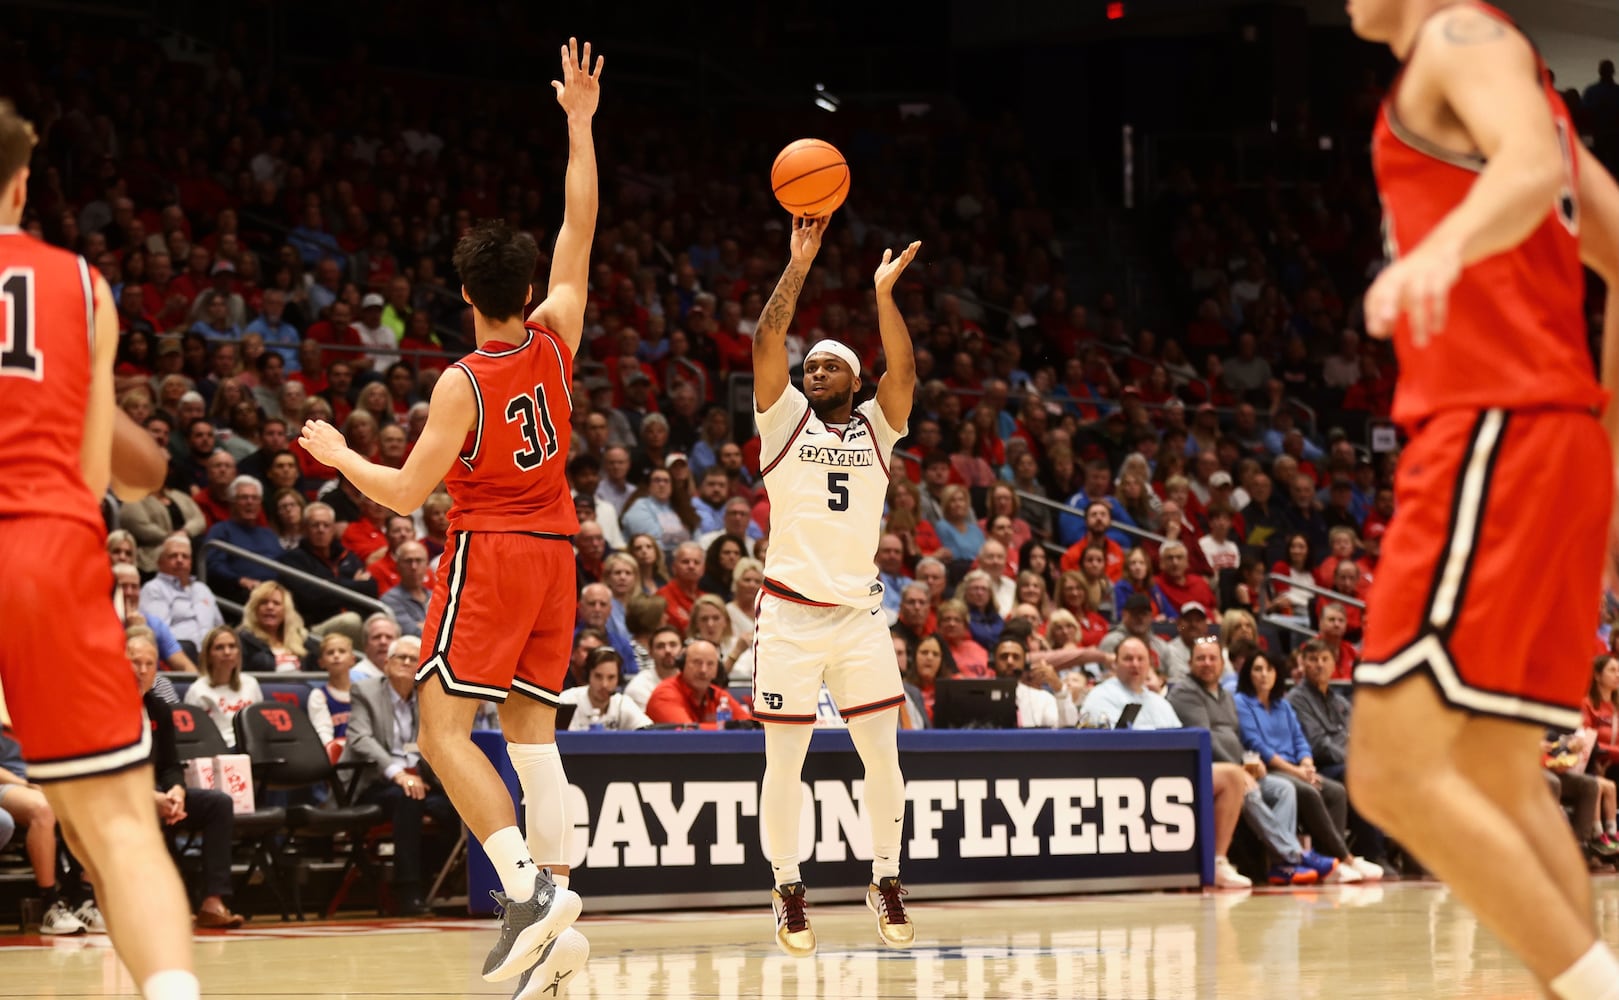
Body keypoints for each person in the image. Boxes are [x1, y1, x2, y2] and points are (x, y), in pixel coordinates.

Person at [298, 39, 601, 991]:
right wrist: (580, 124)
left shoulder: (462, 382)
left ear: (466, 296)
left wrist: (340, 453)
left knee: (437, 727)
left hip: (496, 552)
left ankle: (526, 896)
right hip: (560, 557)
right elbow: (578, 227)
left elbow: (401, 494)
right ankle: (559, 915)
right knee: (531, 737)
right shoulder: (558, 335)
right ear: (522, 292)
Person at [1347, 2, 1619, 995]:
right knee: (1501, 781)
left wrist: (1436, 251)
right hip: (1550, 439)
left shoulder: (1461, 38)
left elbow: (1524, 167)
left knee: (1388, 770)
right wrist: (1608, 453)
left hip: (1490, 428)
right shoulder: (1518, 78)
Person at [0, 99, 197, 1000]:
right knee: (118, 827)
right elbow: (95, 477)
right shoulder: (82, 287)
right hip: (46, 542)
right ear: (21, 182)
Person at [748, 215, 921, 957]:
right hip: (788, 616)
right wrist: (800, 260)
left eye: (828, 365)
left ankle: (885, 876)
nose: (813, 371)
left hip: (857, 618)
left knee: (882, 759)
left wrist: (883, 295)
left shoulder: (878, 428)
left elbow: (904, 375)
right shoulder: (783, 418)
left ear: (853, 379)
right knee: (782, 764)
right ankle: (788, 888)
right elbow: (765, 342)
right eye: (809, 364)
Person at [1166, 636, 1328, 886]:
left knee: (1284, 789)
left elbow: (1236, 738)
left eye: (1212, 658)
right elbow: (1204, 740)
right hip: (1208, 771)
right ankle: (1294, 854)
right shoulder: (1185, 693)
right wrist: (1238, 770)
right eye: (1201, 658)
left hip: (1238, 768)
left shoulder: (1225, 695)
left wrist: (1250, 761)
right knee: (1248, 792)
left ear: (1222, 664)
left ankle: (1281, 866)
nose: (1207, 663)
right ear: (1190, 663)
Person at [130, 633, 244, 928]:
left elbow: (169, 764)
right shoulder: (104, 707)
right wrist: (151, 797)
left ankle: (213, 902)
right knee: (156, 809)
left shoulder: (159, 708)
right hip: (120, 795)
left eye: (149, 664)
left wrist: (177, 790)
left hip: (159, 793)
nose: (141, 671)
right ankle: (168, 902)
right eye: (134, 663)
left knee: (218, 803)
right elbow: (109, 771)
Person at [341, 636, 458, 915]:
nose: (406, 663)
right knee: (408, 799)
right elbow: (360, 739)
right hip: (374, 781)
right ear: (386, 663)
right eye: (400, 658)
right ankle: (408, 889)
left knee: (456, 808)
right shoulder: (365, 691)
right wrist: (397, 774)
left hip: (420, 781)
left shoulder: (425, 696)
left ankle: (433, 877)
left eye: (412, 659)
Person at [182, 626, 263, 749]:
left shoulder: (250, 683)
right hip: (217, 750)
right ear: (208, 655)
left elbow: (258, 723)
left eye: (232, 646)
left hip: (251, 748)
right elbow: (195, 736)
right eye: (219, 648)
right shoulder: (198, 691)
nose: (227, 652)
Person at [644, 640, 750, 725]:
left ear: (717, 671)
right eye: (697, 663)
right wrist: (726, 728)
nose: (703, 670)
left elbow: (751, 726)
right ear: (682, 664)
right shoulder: (665, 694)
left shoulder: (718, 696)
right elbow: (689, 737)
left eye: (710, 664)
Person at [558, 649, 652, 731]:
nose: (604, 684)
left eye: (611, 677)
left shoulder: (622, 703)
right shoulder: (566, 700)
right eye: (598, 676)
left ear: (618, 679)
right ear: (588, 676)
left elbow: (649, 731)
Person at [237, 580, 320, 672]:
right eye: (264, 602)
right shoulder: (243, 640)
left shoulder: (302, 639)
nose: (270, 607)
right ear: (255, 609)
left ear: (286, 611)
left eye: (276, 603)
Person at [306, 633, 357, 749]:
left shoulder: (364, 691)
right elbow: (323, 732)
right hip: (337, 758)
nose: (336, 656)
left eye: (342, 651)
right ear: (321, 662)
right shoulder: (319, 695)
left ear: (352, 659)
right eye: (330, 652)